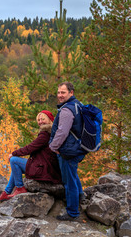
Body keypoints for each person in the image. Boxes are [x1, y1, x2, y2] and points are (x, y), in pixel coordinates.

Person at [0, 110, 62, 201]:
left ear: (50, 120)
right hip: (45, 165)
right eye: (38, 120)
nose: (40, 121)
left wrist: (13, 153)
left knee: (14, 160)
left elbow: (30, 148)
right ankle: (6, 192)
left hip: (45, 168)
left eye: (43, 119)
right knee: (16, 167)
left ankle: (20, 188)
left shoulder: (45, 134)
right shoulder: (52, 132)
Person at [49, 82, 86, 221]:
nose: (60, 95)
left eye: (63, 92)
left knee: (68, 181)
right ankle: (81, 195)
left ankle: (72, 213)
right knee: (72, 173)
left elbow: (62, 132)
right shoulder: (78, 105)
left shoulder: (66, 110)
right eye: (58, 92)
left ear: (71, 92)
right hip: (78, 147)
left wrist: (53, 147)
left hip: (68, 150)